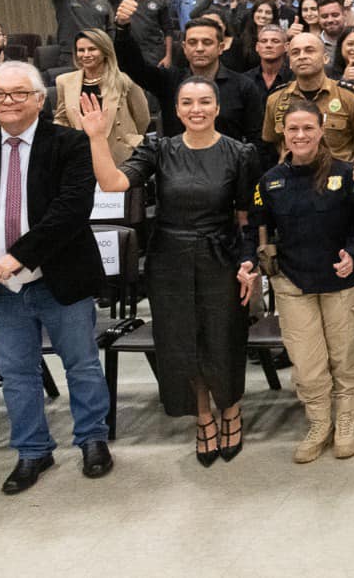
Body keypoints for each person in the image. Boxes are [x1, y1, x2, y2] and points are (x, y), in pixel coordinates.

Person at [83, 78, 259, 465]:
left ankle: (231, 410)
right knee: (183, 346)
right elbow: (112, 183)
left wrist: (250, 264)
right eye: (187, 103)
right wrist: (97, 137)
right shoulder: (158, 149)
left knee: (223, 340)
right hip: (169, 260)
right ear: (176, 111)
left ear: (216, 107)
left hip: (220, 256)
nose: (196, 109)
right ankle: (202, 417)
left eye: (205, 102)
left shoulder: (240, 154)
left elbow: (246, 218)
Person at [0, 62, 111, 494]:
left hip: (59, 274)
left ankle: (93, 439)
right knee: (17, 373)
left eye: (19, 93)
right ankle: (32, 450)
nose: (8, 101)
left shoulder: (70, 143)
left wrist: (18, 257)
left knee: (81, 364)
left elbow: (71, 210)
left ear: (41, 100)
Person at [250, 98, 354, 463]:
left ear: (321, 131)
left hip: (341, 281)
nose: (300, 135)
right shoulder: (270, 182)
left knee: (343, 357)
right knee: (307, 362)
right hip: (292, 283)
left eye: (308, 128)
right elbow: (258, 230)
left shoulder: (346, 173)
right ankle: (319, 422)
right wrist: (251, 262)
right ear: (283, 135)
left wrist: (353, 251)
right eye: (293, 129)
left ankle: (347, 419)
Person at [116, 2, 264, 142]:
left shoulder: (243, 87)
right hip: (177, 165)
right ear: (184, 48)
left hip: (228, 166)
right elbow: (133, 66)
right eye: (193, 43)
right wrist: (123, 28)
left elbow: (256, 138)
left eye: (207, 42)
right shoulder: (168, 81)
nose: (199, 48)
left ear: (221, 48)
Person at [261, 33, 354, 173]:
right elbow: (271, 142)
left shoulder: (349, 97)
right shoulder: (276, 99)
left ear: (325, 58)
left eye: (309, 50)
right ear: (290, 63)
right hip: (293, 181)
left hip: (338, 181)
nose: (302, 56)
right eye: (295, 52)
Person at [52, 29, 149, 167]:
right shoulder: (64, 81)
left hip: (121, 154)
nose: (86, 55)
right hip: (82, 153)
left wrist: (128, 139)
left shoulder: (124, 80)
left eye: (92, 49)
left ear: (105, 51)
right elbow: (62, 118)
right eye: (81, 50)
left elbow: (142, 118)